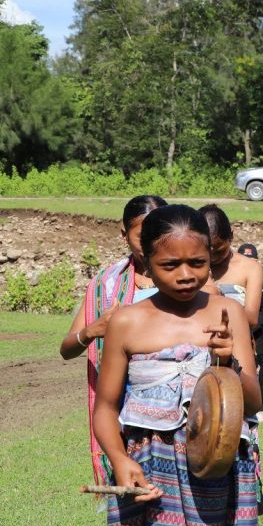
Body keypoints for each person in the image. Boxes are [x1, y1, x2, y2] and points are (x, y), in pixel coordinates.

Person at [92, 204, 261, 526]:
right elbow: (106, 408)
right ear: (147, 263)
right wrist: (120, 460)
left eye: (197, 263)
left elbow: (254, 402)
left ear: (211, 259)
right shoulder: (127, 322)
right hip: (152, 471)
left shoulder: (229, 314)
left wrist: (229, 363)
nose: (186, 274)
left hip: (219, 468)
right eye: (170, 265)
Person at [60, 194, 167, 486]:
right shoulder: (106, 285)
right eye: (141, 235)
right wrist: (91, 330)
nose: (150, 242)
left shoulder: (185, 278)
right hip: (123, 411)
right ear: (124, 234)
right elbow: (67, 349)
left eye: (158, 232)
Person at [237, 243, 263, 417]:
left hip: (257, 335)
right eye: (245, 259)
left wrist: (251, 327)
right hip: (235, 336)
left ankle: (259, 406)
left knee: (260, 372)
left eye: (252, 260)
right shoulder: (231, 280)